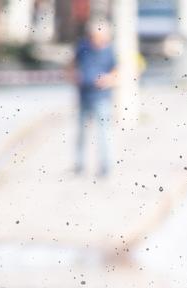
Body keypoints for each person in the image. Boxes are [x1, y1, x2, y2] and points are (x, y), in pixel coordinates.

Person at [72, 18, 118, 177]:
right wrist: (73, 76)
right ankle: (79, 165)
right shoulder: (83, 47)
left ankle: (106, 166)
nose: (95, 40)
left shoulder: (110, 50)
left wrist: (108, 80)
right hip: (84, 95)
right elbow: (72, 64)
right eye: (93, 36)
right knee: (81, 133)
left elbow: (117, 70)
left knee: (104, 133)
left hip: (102, 97)